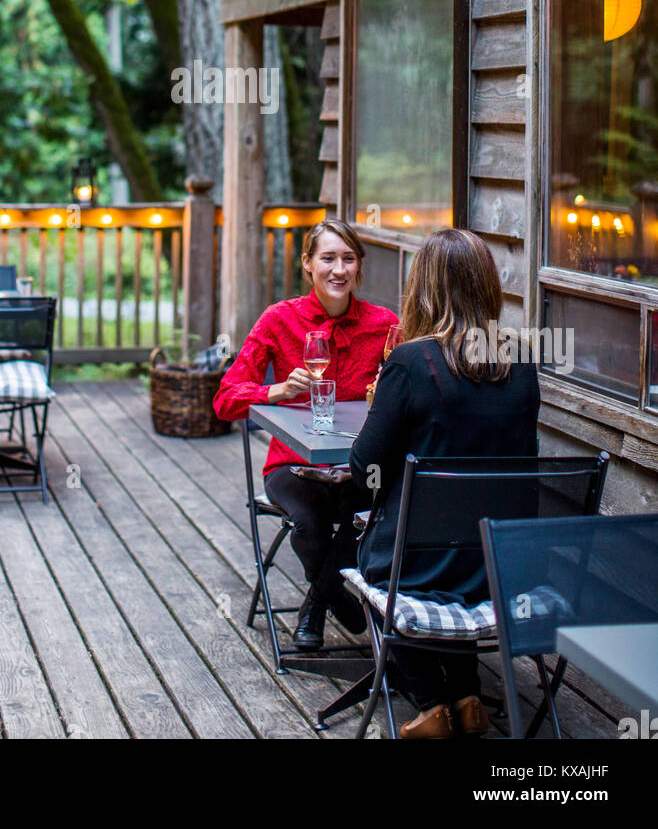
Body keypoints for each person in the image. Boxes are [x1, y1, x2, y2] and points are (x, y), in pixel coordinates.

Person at [349, 228, 540, 739]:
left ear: (422, 288)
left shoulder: (410, 361)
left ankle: (431, 702)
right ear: (488, 287)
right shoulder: (522, 362)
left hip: (417, 566)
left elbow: (366, 466)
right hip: (500, 565)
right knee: (452, 543)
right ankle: (467, 694)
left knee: (372, 547)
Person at [213, 219, 398, 649]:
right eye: (328, 258)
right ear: (307, 265)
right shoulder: (279, 319)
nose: (339, 269)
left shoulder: (384, 324)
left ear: (359, 267)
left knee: (369, 516)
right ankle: (339, 601)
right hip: (293, 466)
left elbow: (404, 392)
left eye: (348, 259)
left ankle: (316, 603)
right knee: (310, 524)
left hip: (358, 467)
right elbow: (225, 399)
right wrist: (276, 391)